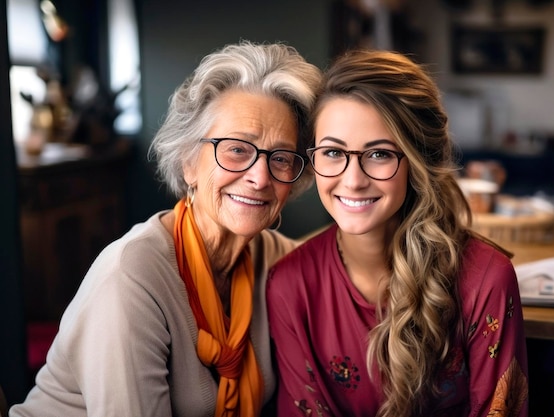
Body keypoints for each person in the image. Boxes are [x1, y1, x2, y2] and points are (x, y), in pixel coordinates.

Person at [10, 40, 321, 417]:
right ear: (189, 161)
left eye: (281, 157)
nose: (260, 177)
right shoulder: (131, 277)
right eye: (237, 149)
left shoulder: (273, 259)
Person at [266, 49, 529, 417]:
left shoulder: (486, 280)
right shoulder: (290, 284)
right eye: (332, 152)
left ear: (417, 161)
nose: (353, 181)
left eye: (379, 154)